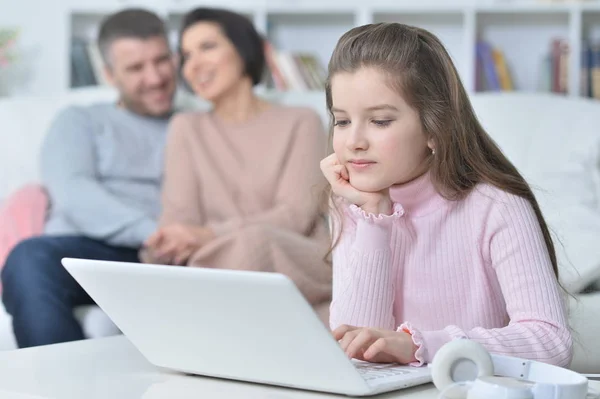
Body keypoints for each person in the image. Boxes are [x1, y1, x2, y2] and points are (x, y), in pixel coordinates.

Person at [320, 23, 573, 367]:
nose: (354, 142)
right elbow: (359, 349)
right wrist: (374, 219)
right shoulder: (352, 205)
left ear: (434, 128)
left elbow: (551, 340)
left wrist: (423, 345)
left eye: (379, 121)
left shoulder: (495, 206)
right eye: (342, 121)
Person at [1, 8, 178, 348]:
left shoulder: (195, 126)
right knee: (28, 260)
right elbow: (73, 192)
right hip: (87, 250)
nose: (155, 78)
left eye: (161, 60)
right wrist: (153, 233)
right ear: (109, 74)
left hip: (167, 259)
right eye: (136, 68)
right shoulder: (79, 121)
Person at [142, 8, 332, 321]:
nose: (194, 65)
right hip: (215, 261)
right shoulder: (186, 127)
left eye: (207, 47)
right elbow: (179, 215)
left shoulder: (302, 121)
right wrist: (168, 240)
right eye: (187, 55)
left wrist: (208, 235)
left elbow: (295, 216)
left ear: (243, 48)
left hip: (292, 254)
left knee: (253, 242)